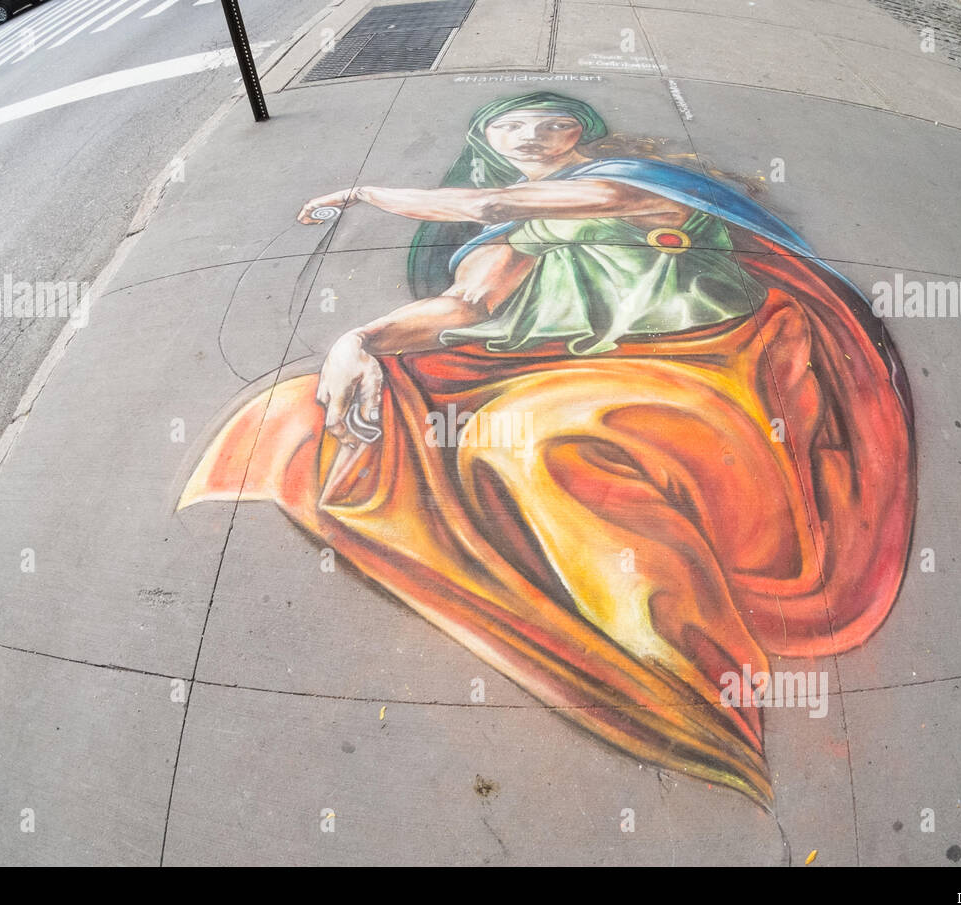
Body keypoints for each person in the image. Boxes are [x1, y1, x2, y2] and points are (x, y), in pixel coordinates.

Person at [179, 93, 916, 805]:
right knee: (305, 414)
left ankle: (688, 679)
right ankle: (580, 639)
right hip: (587, 365)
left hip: (715, 362)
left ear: (583, 134)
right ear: (487, 146)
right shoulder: (516, 236)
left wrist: (371, 191)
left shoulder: (636, 188)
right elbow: (463, 309)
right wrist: (359, 339)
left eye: (553, 121)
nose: (531, 134)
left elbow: (494, 204)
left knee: (542, 441)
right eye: (511, 126)